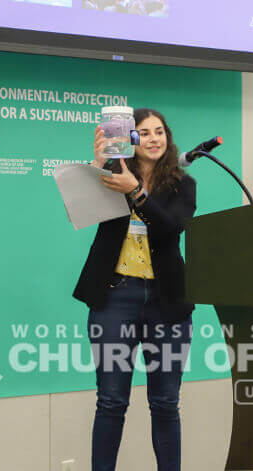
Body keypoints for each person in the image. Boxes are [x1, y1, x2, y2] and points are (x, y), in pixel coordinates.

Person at [73, 108, 196, 471]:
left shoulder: (182, 184)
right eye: (145, 132)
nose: (155, 138)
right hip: (115, 298)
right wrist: (95, 169)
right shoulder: (110, 176)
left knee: (165, 403)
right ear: (130, 138)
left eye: (161, 131)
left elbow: (172, 228)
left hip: (167, 301)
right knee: (110, 401)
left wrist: (138, 193)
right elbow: (81, 212)